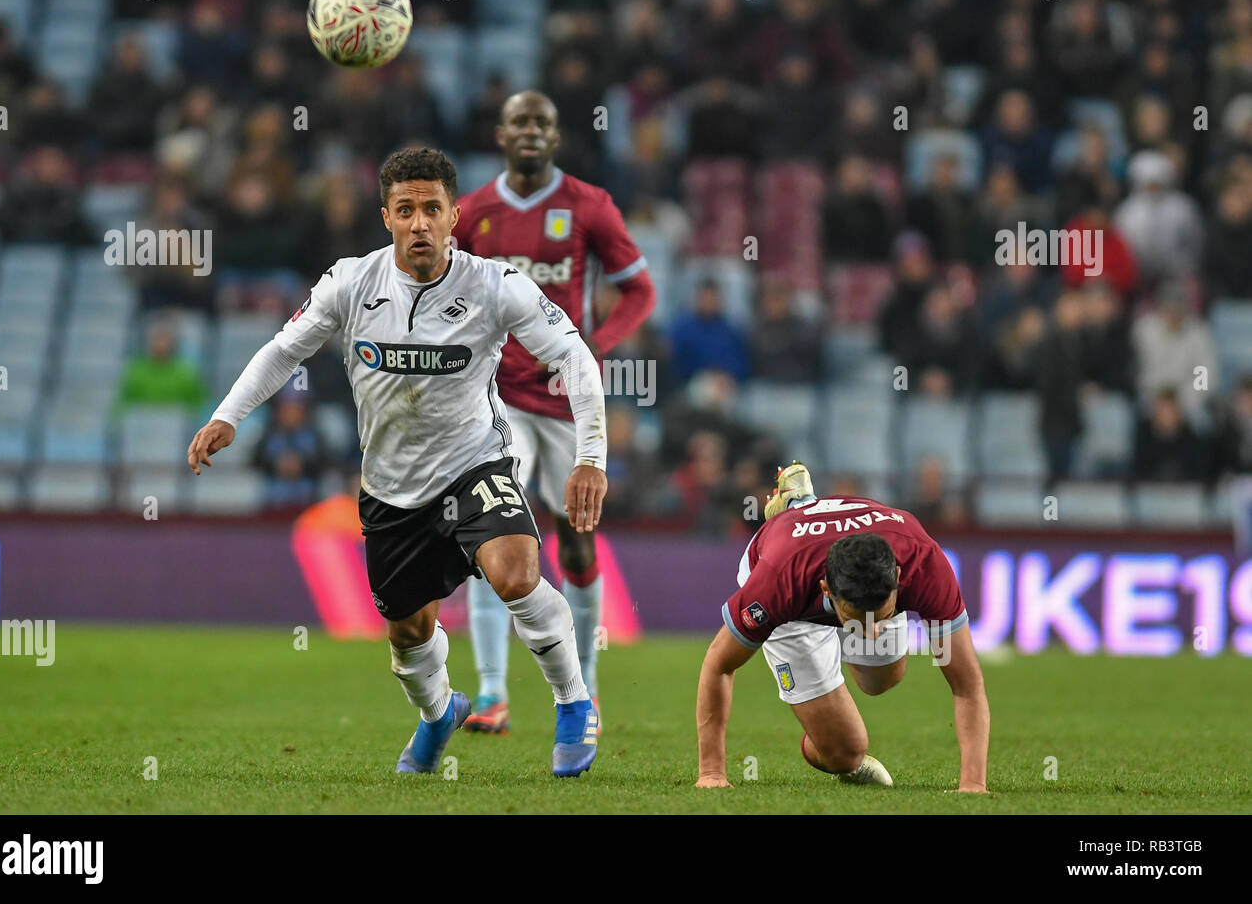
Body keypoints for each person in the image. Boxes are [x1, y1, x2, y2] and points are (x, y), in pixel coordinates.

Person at [187, 148, 608, 777]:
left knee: (517, 574)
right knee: (409, 636)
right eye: (405, 209)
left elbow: (574, 357)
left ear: (454, 217)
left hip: (477, 465)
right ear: (386, 216)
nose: (419, 223)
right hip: (390, 490)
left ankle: (574, 703)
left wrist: (590, 457)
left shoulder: (496, 286)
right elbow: (282, 351)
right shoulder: (350, 284)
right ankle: (439, 713)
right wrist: (227, 415)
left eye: (431, 209)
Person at [452, 90, 655, 734]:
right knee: (492, 537)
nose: (531, 131)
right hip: (497, 400)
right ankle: (491, 693)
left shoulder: (588, 207)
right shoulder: (472, 213)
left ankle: (587, 685)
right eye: (520, 122)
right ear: (501, 133)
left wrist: (596, 346)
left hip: (565, 403)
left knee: (576, 540)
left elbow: (638, 292)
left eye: (542, 122)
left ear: (556, 137)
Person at [695, 464, 990, 792]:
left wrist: (973, 784)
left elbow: (967, 684)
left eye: (881, 613)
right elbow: (719, 664)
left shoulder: (925, 565)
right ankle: (797, 507)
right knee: (844, 755)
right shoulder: (776, 585)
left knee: (882, 680)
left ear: (897, 576)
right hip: (796, 606)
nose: (871, 626)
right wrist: (711, 773)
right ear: (825, 591)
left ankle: (802, 503)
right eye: (856, 617)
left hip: (842, 563)